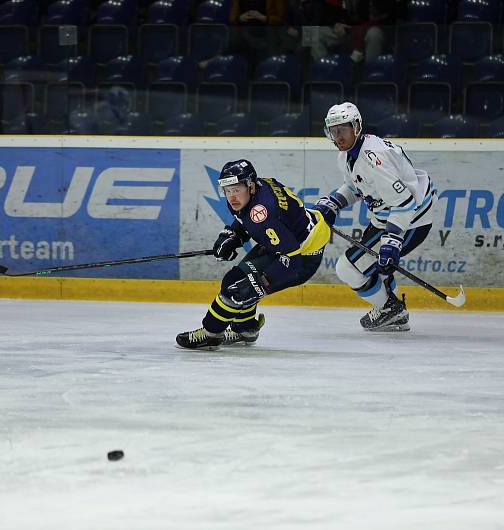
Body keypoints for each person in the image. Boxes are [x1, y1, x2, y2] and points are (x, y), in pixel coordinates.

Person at [176, 160, 330, 350]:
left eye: (236, 189)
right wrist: (233, 235)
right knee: (238, 281)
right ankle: (245, 329)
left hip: (302, 256)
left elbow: (292, 259)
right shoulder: (259, 187)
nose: (232, 197)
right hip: (288, 240)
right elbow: (247, 219)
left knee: (238, 287)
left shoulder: (263, 213)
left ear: (250, 185)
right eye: (228, 190)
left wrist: (263, 281)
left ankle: (211, 333)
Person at [313, 102, 437, 331]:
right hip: (387, 216)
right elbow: (354, 187)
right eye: (334, 131)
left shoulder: (373, 157)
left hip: (410, 220)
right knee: (374, 268)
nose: (338, 137)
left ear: (357, 127)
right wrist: (333, 203)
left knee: (347, 269)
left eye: (343, 130)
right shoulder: (348, 155)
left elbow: (404, 202)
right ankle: (393, 312)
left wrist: (393, 240)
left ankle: (391, 310)